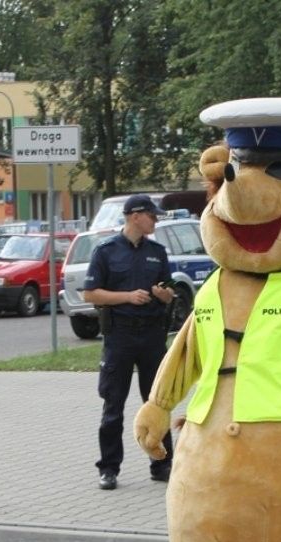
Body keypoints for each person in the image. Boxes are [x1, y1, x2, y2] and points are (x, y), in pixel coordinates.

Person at [83, 194, 175, 490]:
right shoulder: (106, 251)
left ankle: (162, 464)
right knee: (114, 404)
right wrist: (127, 296)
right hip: (119, 335)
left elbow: (169, 289)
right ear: (136, 216)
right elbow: (91, 294)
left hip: (151, 334)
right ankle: (109, 468)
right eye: (152, 216)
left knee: (157, 402)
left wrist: (164, 294)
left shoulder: (157, 252)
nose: (156, 221)